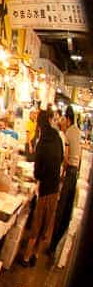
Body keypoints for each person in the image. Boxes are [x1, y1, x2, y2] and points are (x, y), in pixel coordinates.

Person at [22, 110, 64, 266]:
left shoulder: (42, 142)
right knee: (46, 223)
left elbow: (37, 170)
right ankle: (36, 255)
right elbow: (60, 159)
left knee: (37, 223)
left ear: (40, 124)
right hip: (54, 187)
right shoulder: (58, 138)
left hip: (44, 188)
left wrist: (38, 177)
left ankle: (26, 257)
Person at [52, 106, 82, 249]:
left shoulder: (69, 133)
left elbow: (66, 157)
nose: (63, 122)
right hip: (75, 172)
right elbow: (79, 155)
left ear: (68, 119)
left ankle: (52, 245)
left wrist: (62, 174)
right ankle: (57, 241)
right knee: (66, 211)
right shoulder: (77, 131)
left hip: (69, 171)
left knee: (60, 209)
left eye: (64, 119)